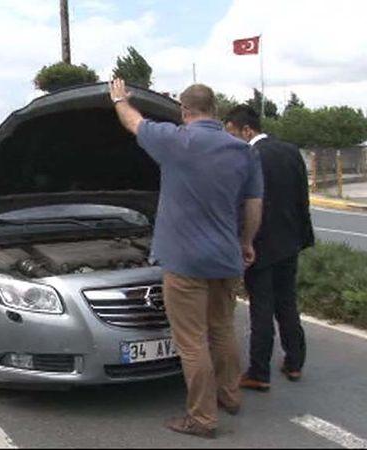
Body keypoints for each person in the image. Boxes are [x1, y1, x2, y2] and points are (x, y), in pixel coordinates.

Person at [110, 79, 263, 439]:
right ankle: (230, 396)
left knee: (192, 341)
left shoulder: (175, 140)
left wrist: (119, 99)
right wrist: (246, 242)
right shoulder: (243, 151)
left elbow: (132, 121)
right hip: (226, 258)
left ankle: (202, 418)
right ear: (215, 110)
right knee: (223, 329)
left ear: (184, 110)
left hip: (185, 262)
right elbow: (254, 205)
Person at [224, 105, 315, 392]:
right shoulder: (290, 150)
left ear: (246, 130)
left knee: (261, 308)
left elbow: (244, 203)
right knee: (287, 302)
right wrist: (302, 237)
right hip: (290, 242)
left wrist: (241, 240)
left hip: (260, 243)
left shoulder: (247, 156)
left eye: (232, 133)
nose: (231, 140)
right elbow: (303, 197)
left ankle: (259, 372)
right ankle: (295, 362)